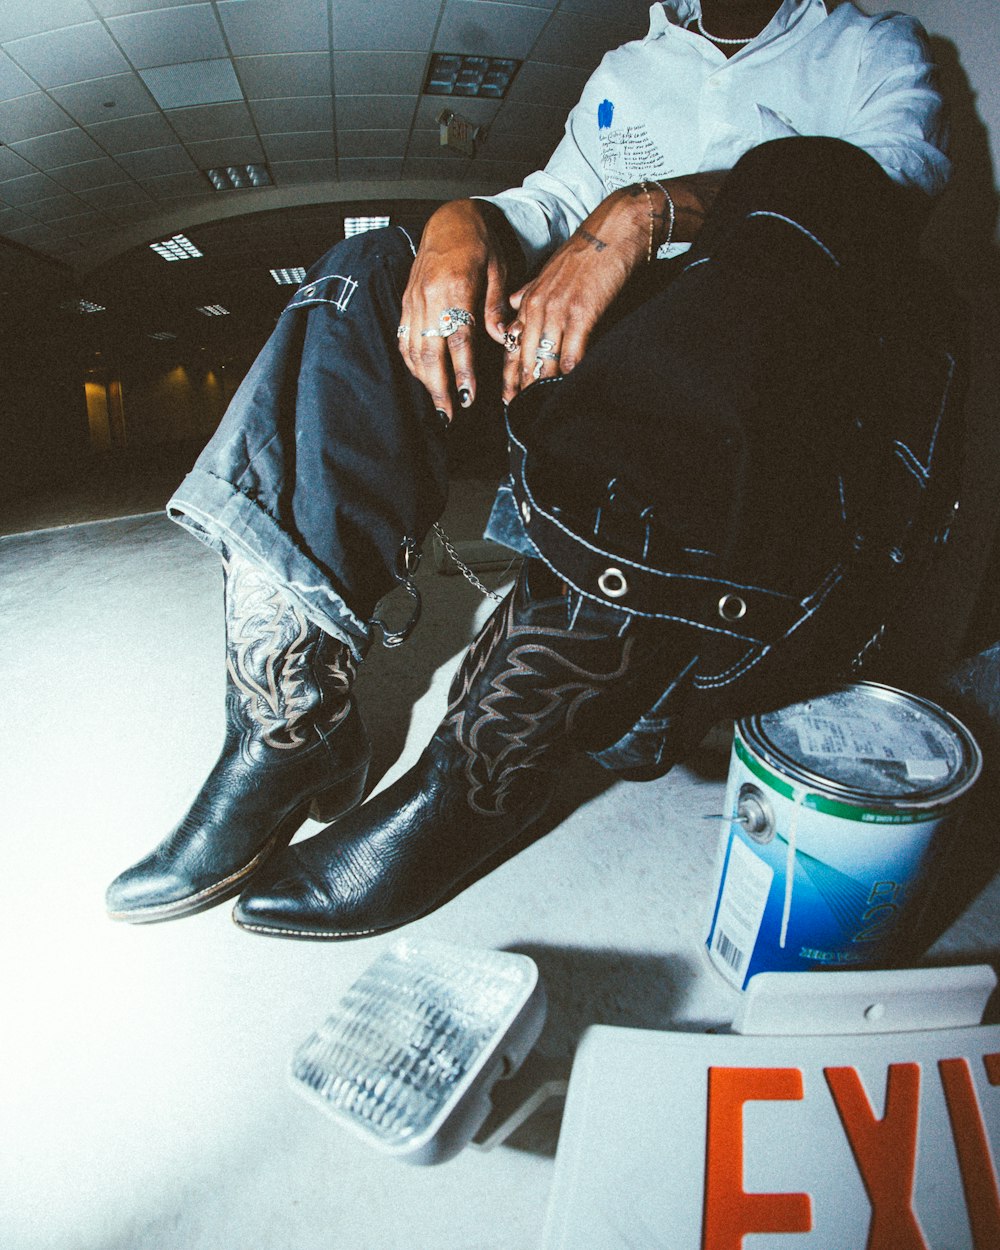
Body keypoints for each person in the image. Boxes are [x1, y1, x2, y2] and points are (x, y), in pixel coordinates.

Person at [106, 0, 964, 938]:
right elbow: (547, 207)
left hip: (753, 377)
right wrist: (460, 221)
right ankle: (287, 726)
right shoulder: (629, 72)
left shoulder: (868, 46)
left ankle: (483, 771)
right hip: (578, 347)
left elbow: (891, 186)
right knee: (368, 268)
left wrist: (648, 212)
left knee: (806, 178)